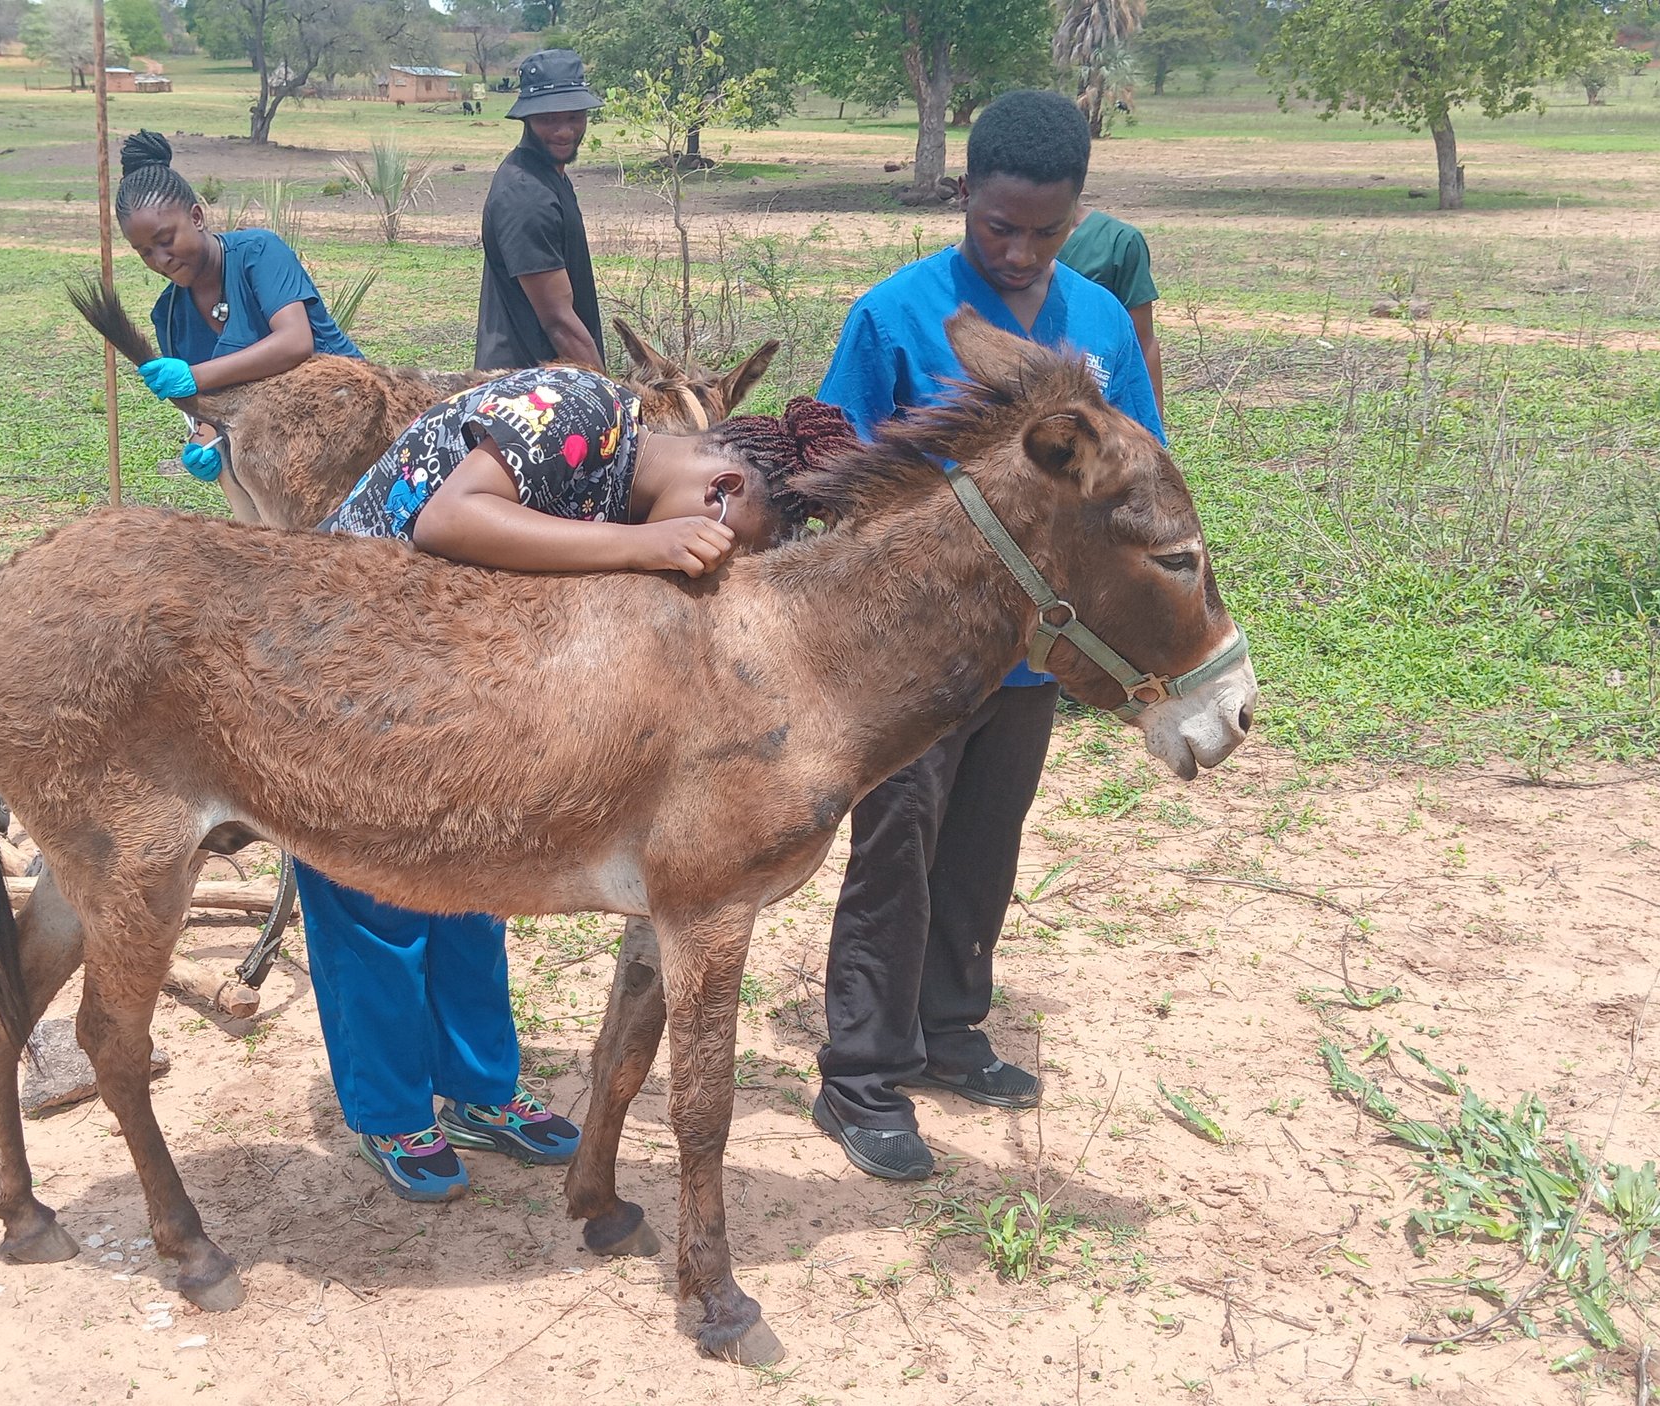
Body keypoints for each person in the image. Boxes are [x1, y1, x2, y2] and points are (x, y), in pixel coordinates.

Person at [312, 366, 853, 1200]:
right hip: (353, 668)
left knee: (466, 891)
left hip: (453, 685)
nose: (725, 562)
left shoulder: (623, 490)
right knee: (372, 899)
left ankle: (480, 1093)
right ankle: (390, 1111)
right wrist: (646, 546)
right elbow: (449, 518)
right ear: (723, 487)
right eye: (740, 539)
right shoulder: (581, 409)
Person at [809, 89, 1165, 1182]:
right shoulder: (894, 313)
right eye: (994, 227)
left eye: (1041, 232)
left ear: (1075, 217)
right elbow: (835, 468)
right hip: (914, 655)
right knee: (894, 848)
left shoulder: (1097, 322)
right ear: (963, 195)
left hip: (1034, 648)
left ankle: (953, 1030)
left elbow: (1139, 469)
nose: (1014, 251)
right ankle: (859, 1075)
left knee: (984, 840)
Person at [112, 129, 360, 483]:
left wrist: (193, 376)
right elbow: (210, 410)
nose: (161, 260)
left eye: (166, 241)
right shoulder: (169, 318)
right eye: (145, 252)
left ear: (197, 217)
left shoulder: (258, 253)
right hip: (283, 448)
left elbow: (295, 343)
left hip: (348, 414)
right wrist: (202, 442)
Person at [476, 48, 604, 371]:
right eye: (548, 119)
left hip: (548, 380)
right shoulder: (526, 195)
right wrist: (614, 401)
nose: (564, 131)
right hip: (525, 393)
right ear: (528, 119)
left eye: (574, 116)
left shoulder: (550, 176)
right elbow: (559, 324)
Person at [1057, 204, 1164, 410]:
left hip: (1096, 402)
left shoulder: (1118, 241)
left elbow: (1143, 339)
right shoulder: (997, 243)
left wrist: (1153, 428)